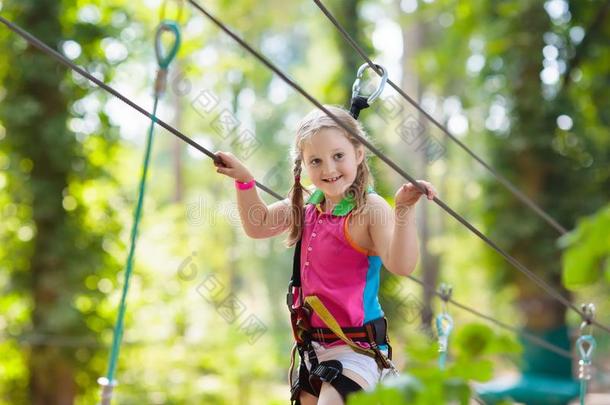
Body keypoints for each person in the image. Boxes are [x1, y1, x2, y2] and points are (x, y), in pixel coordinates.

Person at [213, 105, 437, 405]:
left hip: (356, 349)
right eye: (316, 161)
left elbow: (401, 264)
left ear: (359, 153)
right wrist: (244, 180)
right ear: (303, 164)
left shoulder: (370, 209)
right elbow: (259, 224)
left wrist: (404, 210)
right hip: (312, 348)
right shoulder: (307, 202)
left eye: (338, 156)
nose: (329, 170)